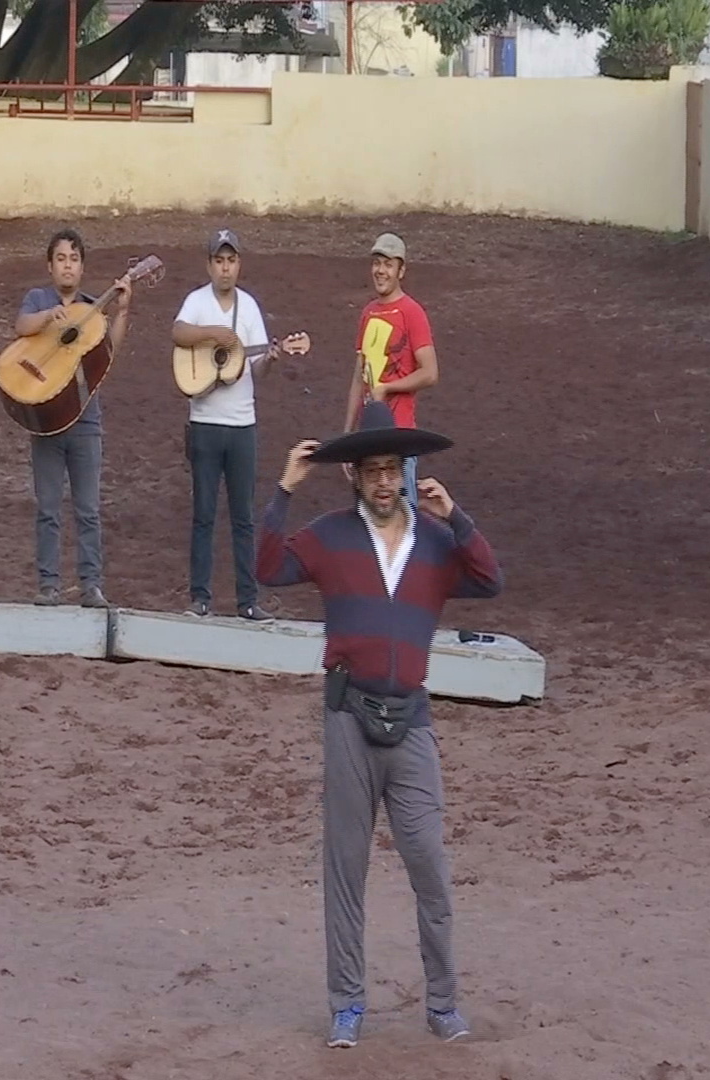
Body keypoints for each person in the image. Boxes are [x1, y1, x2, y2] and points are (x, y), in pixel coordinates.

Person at [256, 400, 503, 1050]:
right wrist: (284, 489)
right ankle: (347, 1005)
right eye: (372, 470)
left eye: (393, 468)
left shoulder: (435, 542)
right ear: (354, 476)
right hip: (348, 718)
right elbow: (266, 568)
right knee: (345, 870)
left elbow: (489, 579)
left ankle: (443, 1005)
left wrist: (457, 516)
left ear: (407, 471)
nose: (385, 481)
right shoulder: (330, 536)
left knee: (430, 868)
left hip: (412, 721)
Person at [172, 228, 285, 621]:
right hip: (205, 422)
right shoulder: (196, 301)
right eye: (219, 261)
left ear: (239, 264)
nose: (225, 268)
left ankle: (247, 600)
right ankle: (199, 597)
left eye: (231, 261)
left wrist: (270, 358)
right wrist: (215, 334)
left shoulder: (249, 308)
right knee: (203, 513)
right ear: (209, 265)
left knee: (243, 517)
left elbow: (257, 368)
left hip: (241, 425)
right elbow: (178, 332)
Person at [15, 228, 132, 608]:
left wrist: (122, 310)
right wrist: (48, 317)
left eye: (74, 259)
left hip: (86, 420)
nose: (68, 266)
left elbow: (110, 351)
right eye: (61, 259)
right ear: (50, 266)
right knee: (47, 507)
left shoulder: (92, 309)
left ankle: (91, 585)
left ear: (82, 268)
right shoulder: (38, 299)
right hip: (46, 416)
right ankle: (48, 585)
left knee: (88, 510)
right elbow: (21, 326)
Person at [343, 232, 439, 508]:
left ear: (401, 270)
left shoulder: (412, 312)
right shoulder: (368, 313)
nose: (380, 271)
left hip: (399, 437)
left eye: (388, 264)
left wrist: (387, 388)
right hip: (368, 436)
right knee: (368, 518)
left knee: (403, 519)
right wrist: (348, 434)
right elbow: (359, 376)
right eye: (377, 263)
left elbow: (430, 372)